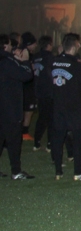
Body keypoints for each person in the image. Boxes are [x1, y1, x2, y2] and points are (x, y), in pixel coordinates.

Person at [50, 33, 81, 181]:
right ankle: (78, 172)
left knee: (58, 138)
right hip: (73, 107)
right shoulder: (75, 64)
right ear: (74, 46)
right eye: (78, 44)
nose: (80, 46)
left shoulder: (55, 62)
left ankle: (58, 171)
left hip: (58, 105)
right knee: (78, 138)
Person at [0, 39, 35, 180]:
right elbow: (26, 75)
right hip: (10, 108)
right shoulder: (7, 61)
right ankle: (16, 171)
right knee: (14, 141)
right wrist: (25, 61)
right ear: (5, 45)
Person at [31, 36, 55, 151]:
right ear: (49, 45)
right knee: (51, 118)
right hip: (48, 91)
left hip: (39, 91)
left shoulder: (36, 57)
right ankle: (50, 143)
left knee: (41, 117)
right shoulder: (49, 57)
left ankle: (37, 141)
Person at [19, 32, 38, 142]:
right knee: (28, 110)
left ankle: (21, 131)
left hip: (23, 86)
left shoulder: (21, 52)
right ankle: (24, 132)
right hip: (27, 86)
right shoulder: (26, 55)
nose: (35, 46)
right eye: (34, 43)